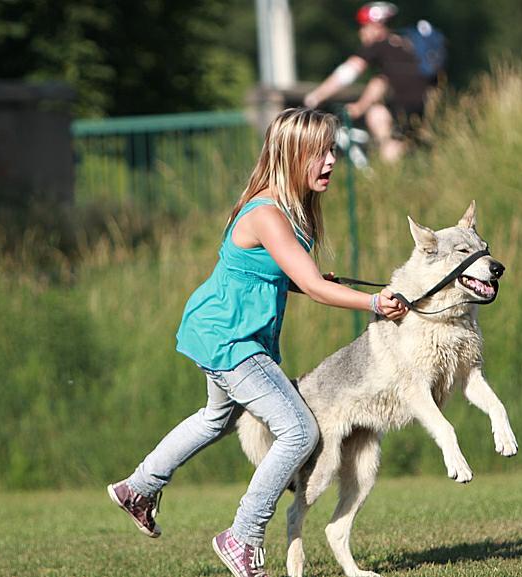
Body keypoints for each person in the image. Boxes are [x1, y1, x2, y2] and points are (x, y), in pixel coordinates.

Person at [107, 107, 408, 577]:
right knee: (299, 431)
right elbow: (312, 286)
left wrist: (296, 277)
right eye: (319, 153)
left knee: (214, 419)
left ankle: (138, 488)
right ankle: (242, 535)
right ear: (291, 156)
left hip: (219, 333)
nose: (330, 161)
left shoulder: (286, 209)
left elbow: (272, 274)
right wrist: (373, 305)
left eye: (332, 150)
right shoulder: (268, 212)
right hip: (232, 341)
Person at [304, 2, 436, 164]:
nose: (361, 32)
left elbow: (348, 73)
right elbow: (383, 82)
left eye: (364, 27)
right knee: (411, 144)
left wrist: (316, 96)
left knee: (381, 123)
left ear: (377, 26)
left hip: (402, 106)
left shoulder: (378, 45)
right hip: (428, 105)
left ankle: (389, 179)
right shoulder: (407, 43)